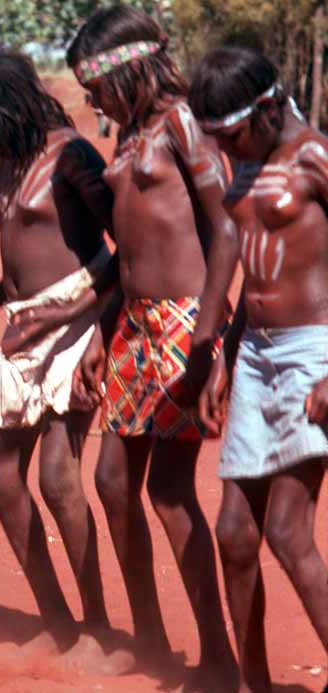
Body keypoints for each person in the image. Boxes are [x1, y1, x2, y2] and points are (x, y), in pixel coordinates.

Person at [67, 6, 240, 686]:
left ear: (130, 69)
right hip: (135, 324)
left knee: (168, 490)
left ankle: (219, 657)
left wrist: (208, 339)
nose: (90, 102)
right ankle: (150, 639)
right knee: (112, 480)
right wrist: (101, 333)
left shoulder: (183, 123)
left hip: (183, 323)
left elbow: (224, 231)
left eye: (95, 86)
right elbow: (128, 249)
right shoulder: (134, 130)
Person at [0, 47, 124, 661]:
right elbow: (19, 261)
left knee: (57, 476)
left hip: (81, 316)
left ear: (4, 107)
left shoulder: (71, 154)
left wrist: (102, 329)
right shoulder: (13, 160)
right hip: (25, 327)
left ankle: (98, 628)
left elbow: (129, 248)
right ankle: (56, 619)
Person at [191, 46, 328, 693]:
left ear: (270, 108)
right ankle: (253, 685)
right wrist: (224, 353)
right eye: (216, 138)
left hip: (315, 350)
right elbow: (251, 266)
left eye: (235, 133)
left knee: (286, 530)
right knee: (234, 533)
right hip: (256, 353)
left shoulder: (314, 156)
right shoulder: (247, 158)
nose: (228, 148)